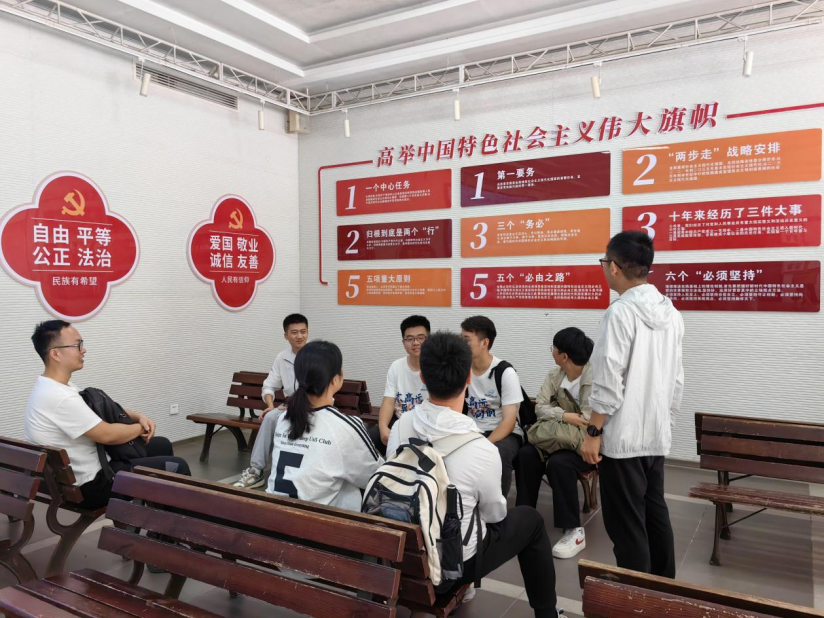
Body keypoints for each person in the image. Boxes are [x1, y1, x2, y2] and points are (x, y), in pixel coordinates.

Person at [387, 332, 560, 618]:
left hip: (401, 555)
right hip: (451, 567)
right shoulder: (481, 449)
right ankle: (547, 615)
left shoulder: (400, 426)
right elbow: (494, 515)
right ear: (468, 377)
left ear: (422, 378)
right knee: (531, 521)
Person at [582, 231, 684, 578]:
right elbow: (677, 380)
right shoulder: (671, 313)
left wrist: (593, 432)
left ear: (613, 266)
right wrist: (666, 423)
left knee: (627, 525)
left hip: (623, 439)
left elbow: (608, 381)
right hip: (656, 435)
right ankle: (664, 590)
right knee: (655, 514)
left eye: (603, 262)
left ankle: (634, 597)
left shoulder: (620, 312)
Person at [25, 320, 190, 511]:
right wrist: (139, 428)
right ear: (55, 354)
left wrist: (136, 416)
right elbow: (107, 435)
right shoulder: (60, 398)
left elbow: (93, 414)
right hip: (93, 485)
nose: (83, 350)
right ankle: (183, 525)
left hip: (83, 473)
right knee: (176, 465)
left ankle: (160, 516)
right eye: (77, 345)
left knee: (162, 445)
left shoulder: (51, 387)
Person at [266, 340, 383, 511]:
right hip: (320, 523)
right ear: (336, 378)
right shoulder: (346, 427)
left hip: (273, 514)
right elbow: (376, 479)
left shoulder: (284, 417)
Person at [515, 327, 596, 559]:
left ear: (564, 356)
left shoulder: (594, 378)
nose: (552, 352)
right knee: (526, 455)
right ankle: (524, 517)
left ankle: (573, 530)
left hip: (584, 443)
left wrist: (556, 414)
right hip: (554, 437)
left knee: (559, 464)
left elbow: (588, 420)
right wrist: (565, 415)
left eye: (554, 349)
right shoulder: (554, 375)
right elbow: (539, 407)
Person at [234, 313, 308, 489]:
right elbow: (269, 385)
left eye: (303, 331)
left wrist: (294, 406)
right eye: (294, 332)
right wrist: (270, 405)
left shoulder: (316, 355)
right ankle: (256, 471)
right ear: (286, 335)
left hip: (312, 405)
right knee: (269, 417)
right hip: (289, 405)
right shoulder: (282, 357)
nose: (300, 336)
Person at [460, 316, 523, 496]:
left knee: (498, 454)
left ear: (484, 342)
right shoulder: (462, 369)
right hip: (473, 431)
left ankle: (496, 508)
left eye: (466, 339)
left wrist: (486, 444)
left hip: (504, 433)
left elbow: (509, 422)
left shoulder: (505, 372)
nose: (461, 344)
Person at [368, 315, 430, 455]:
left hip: (426, 426)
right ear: (403, 342)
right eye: (410, 339)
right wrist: (383, 427)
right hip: (400, 421)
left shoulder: (436, 366)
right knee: (369, 438)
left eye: (420, 338)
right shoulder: (396, 366)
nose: (415, 343)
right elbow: (389, 401)